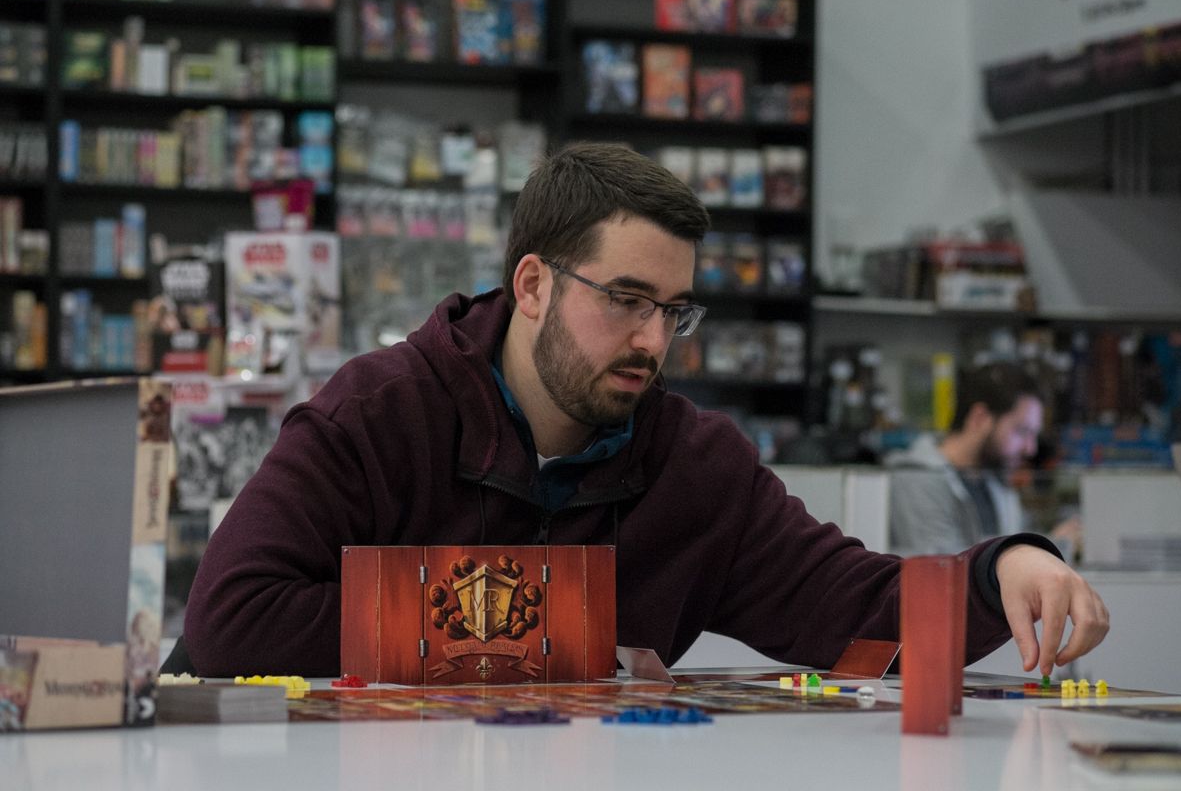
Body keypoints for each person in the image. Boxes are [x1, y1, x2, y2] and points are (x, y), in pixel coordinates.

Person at [184, 143, 1107, 681]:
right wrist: (566, 635)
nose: (654, 342)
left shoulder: (696, 465)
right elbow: (229, 624)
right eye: (625, 299)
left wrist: (1004, 569)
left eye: (673, 311)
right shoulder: (379, 413)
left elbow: (857, 611)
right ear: (534, 284)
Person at [887, 361, 1082, 556]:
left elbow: (1012, 549)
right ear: (979, 417)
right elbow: (941, 568)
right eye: (1021, 431)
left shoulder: (993, 477)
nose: (1030, 449)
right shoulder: (918, 477)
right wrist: (1055, 547)